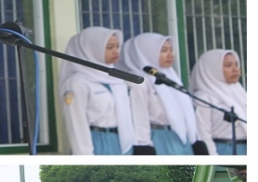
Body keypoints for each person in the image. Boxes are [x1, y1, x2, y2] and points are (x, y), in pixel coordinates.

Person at [120, 33, 204, 155]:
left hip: (180, 140)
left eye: (171, 50)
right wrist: (144, 146)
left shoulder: (171, 77)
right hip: (157, 140)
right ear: (146, 52)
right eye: (164, 50)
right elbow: (139, 119)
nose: (170, 54)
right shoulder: (139, 82)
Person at [59, 27, 135, 155]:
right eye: (109, 47)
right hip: (96, 142)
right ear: (91, 49)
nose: (116, 51)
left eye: (117, 46)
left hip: (119, 142)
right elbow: (77, 123)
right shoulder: (77, 82)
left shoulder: (117, 79)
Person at [189, 49, 247, 155]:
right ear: (212, 69)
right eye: (228, 65)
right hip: (223, 151)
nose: (235, 69)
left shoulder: (239, 92)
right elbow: (203, 134)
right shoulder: (204, 97)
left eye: (236, 64)